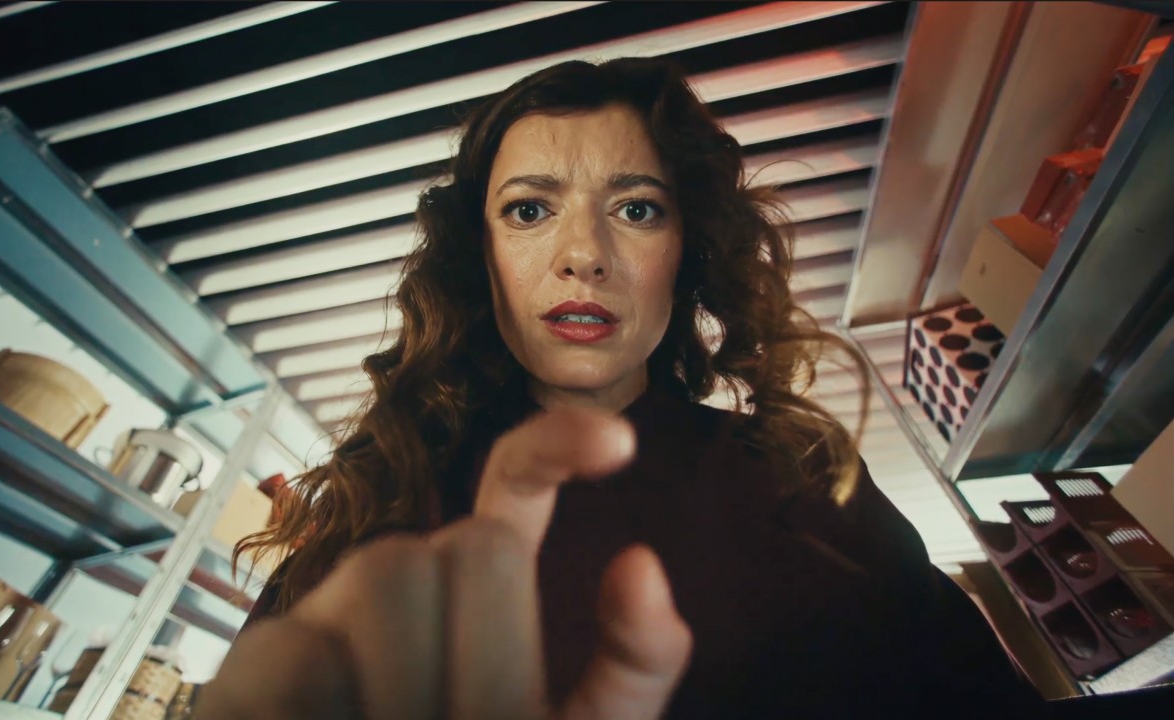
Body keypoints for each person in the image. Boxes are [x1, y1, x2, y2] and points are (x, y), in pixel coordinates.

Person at [196, 58, 1050, 719]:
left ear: (686, 250)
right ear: (477, 257)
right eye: (529, 210)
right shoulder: (372, 514)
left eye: (636, 209)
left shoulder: (803, 476)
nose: (584, 254)